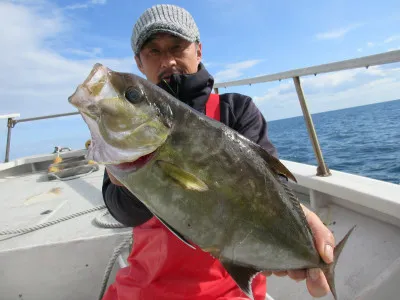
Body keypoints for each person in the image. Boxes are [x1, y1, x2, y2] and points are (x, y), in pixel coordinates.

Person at [101, 4, 335, 300]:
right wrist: (131, 176)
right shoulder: (129, 127)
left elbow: (268, 188)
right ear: (139, 61)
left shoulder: (235, 110)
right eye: (154, 52)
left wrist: (299, 222)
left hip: (230, 291)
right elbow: (122, 212)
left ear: (198, 51)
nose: (168, 60)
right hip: (145, 287)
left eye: (177, 47)